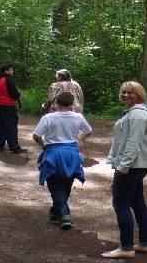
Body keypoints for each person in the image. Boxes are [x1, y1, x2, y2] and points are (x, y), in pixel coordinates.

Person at [102, 81, 147, 259]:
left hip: (133, 165)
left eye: (131, 92)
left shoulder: (138, 115)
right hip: (137, 165)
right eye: (124, 92)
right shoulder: (137, 112)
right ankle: (146, 243)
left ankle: (126, 247)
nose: (126, 95)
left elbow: (133, 144)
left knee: (121, 204)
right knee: (137, 202)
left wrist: (123, 166)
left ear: (139, 94)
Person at [32, 90, 92, 230]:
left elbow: (36, 135)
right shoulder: (78, 117)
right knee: (66, 184)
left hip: (53, 153)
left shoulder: (48, 118)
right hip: (71, 153)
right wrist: (78, 139)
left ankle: (65, 215)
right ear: (72, 104)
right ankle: (55, 212)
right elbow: (88, 131)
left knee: (55, 185)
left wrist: (44, 145)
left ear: (56, 103)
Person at [0, 64, 26, 153]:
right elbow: (14, 94)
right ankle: (14, 147)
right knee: (11, 126)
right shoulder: (9, 80)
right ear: (6, 71)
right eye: (11, 70)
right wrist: (18, 95)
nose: (13, 71)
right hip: (8, 106)